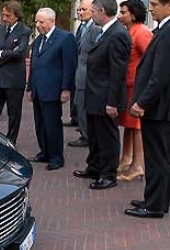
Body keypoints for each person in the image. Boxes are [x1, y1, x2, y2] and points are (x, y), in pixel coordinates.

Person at [73, 0, 131, 189]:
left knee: (107, 137)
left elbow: (118, 71)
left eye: (93, 11)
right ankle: (95, 167)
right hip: (94, 94)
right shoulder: (103, 31)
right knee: (95, 135)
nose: (91, 14)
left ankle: (108, 175)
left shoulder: (118, 34)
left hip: (106, 98)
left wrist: (113, 102)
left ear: (102, 11)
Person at [125, 0, 170, 218]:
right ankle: (157, 199)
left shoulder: (168, 32)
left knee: (157, 157)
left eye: (154, 4)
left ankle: (154, 205)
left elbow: (160, 74)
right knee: (159, 156)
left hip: (159, 108)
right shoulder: (163, 30)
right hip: (159, 106)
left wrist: (142, 102)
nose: (150, 8)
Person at [27, 7, 77, 171]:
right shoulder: (39, 40)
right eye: (36, 21)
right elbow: (34, 65)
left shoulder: (65, 38)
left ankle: (56, 156)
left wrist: (66, 89)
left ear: (51, 21)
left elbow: (69, 66)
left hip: (53, 90)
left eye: (41, 22)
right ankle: (45, 152)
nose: (37, 25)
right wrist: (30, 87)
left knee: (52, 124)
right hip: (38, 90)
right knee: (40, 123)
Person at [0, 0, 31, 144]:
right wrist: (5, 54)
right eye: (3, 15)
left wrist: (0, 54)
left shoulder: (24, 30)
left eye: (8, 15)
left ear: (16, 16)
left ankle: (11, 143)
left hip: (14, 80)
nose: (4, 18)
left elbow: (20, 52)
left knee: (13, 114)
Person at [116, 0, 152, 181]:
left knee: (136, 128)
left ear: (134, 14)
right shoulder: (129, 31)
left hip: (136, 87)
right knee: (129, 127)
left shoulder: (142, 33)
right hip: (128, 86)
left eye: (123, 12)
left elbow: (150, 61)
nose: (120, 16)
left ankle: (138, 165)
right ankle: (126, 158)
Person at [67, 0, 100, 148]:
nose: (79, 12)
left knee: (84, 106)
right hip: (79, 73)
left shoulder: (95, 28)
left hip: (88, 75)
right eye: (78, 10)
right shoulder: (81, 27)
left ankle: (86, 136)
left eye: (83, 9)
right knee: (79, 105)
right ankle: (83, 131)